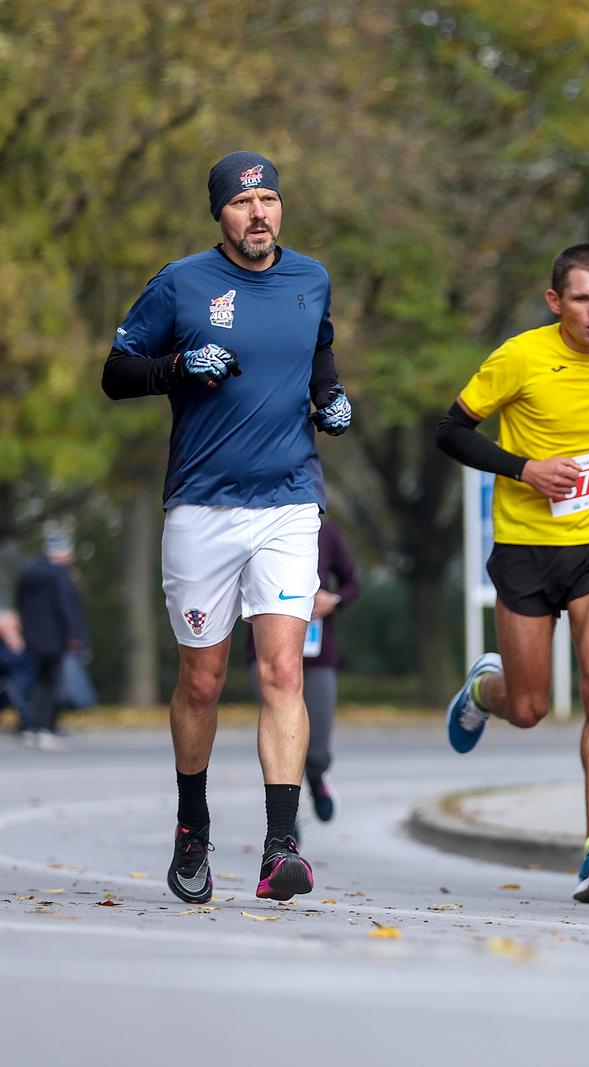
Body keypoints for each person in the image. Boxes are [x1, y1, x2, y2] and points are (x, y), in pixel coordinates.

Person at [101, 151, 352, 905]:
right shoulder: (181, 283)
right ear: (221, 214)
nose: (259, 215)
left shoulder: (311, 278)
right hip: (202, 506)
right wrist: (177, 366)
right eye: (244, 204)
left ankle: (283, 846)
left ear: (281, 207)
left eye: (270, 200)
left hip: (286, 503)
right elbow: (117, 372)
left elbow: (320, 357)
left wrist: (332, 400)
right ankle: (192, 827)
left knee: (282, 671)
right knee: (203, 681)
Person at [435, 243, 589, 905]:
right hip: (524, 546)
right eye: (582, 298)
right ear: (556, 301)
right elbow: (450, 432)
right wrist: (525, 470)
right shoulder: (518, 356)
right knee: (529, 707)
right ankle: (483, 690)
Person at [246, 517, 361, 824]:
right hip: (266, 654)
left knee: (318, 751)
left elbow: (352, 583)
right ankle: (285, 822)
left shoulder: (325, 531)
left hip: (317, 656)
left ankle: (316, 775)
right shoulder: (251, 526)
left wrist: (332, 601)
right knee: (282, 734)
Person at [13, 532, 90, 750]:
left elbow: (20, 602)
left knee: (35, 683)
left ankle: (29, 727)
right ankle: (45, 729)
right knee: (51, 684)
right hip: (55, 636)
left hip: (32, 636)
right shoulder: (60, 576)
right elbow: (66, 608)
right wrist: (76, 636)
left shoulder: (27, 573)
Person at [1, 608, 37, 734]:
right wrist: (13, 648)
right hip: (9, 684)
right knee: (15, 687)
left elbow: (32, 663)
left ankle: (33, 723)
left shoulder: (27, 640)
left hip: (27, 681)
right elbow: (6, 663)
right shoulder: (3, 644)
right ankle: (28, 723)